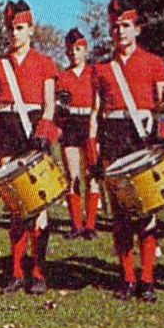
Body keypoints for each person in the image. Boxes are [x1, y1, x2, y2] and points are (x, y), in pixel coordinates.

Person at [92, 0, 164, 300]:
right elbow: (96, 112)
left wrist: (163, 136)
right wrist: (94, 151)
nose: (120, 32)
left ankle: (148, 278)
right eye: (115, 27)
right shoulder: (101, 69)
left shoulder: (153, 62)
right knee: (120, 212)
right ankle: (126, 277)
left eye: (125, 26)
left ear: (137, 30)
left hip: (143, 136)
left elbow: (163, 106)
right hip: (113, 136)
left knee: (147, 208)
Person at [0, 0, 60, 294]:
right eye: (10, 29)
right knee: (17, 206)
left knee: (38, 203)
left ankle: (39, 271)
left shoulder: (45, 64)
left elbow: (50, 105)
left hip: (33, 131)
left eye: (19, 28)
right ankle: (16, 271)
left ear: (31, 30)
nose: (14, 34)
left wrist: (44, 133)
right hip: (7, 132)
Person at [58, 29, 98, 239]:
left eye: (78, 49)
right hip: (70, 124)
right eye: (70, 49)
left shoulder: (94, 74)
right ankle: (76, 224)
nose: (74, 53)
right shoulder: (62, 76)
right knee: (72, 176)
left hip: (90, 123)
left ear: (85, 50)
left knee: (92, 174)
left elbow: (99, 101)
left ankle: (90, 225)